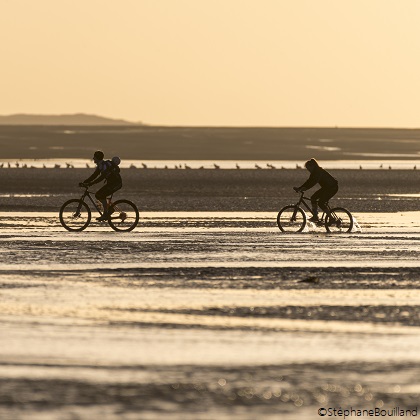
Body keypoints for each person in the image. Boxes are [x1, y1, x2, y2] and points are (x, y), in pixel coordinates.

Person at [80, 151, 122, 221]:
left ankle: (106, 213)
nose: (93, 158)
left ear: (97, 158)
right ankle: (109, 210)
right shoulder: (100, 165)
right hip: (111, 183)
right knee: (99, 195)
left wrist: (91, 183)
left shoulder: (104, 166)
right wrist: (84, 182)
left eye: (94, 157)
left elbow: (102, 177)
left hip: (116, 184)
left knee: (99, 195)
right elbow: (94, 175)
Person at [294, 158, 338, 222]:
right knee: (313, 198)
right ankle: (315, 216)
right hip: (326, 188)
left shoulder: (318, 172)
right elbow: (308, 181)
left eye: (308, 168)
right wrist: (300, 188)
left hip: (332, 188)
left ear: (312, 166)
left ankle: (331, 218)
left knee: (321, 203)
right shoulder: (314, 172)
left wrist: (305, 188)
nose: (308, 170)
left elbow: (313, 182)